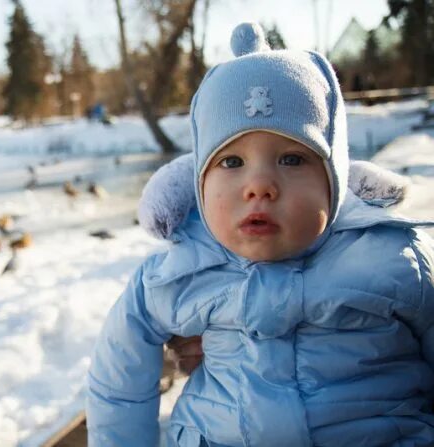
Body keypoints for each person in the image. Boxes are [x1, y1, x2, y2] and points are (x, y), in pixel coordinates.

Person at [86, 23, 434, 446]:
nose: (260, 185)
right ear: (198, 181)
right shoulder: (175, 274)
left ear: (335, 178)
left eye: (292, 158)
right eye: (231, 162)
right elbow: (117, 385)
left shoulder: (395, 259)